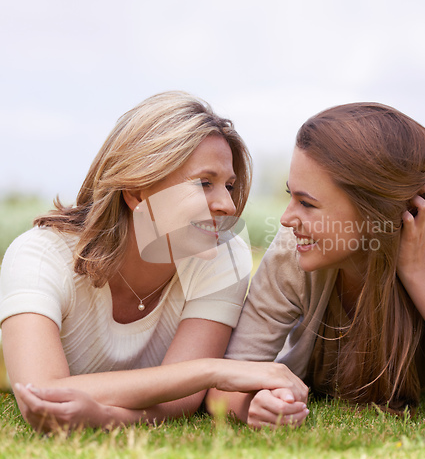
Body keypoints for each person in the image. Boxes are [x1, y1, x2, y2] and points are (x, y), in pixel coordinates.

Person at [0, 91, 308, 432]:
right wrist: (214, 370)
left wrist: (105, 418)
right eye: (204, 183)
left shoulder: (223, 254)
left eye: (229, 186)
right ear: (137, 192)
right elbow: (40, 394)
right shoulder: (40, 255)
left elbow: (183, 400)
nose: (228, 206)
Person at [207, 102, 425, 428]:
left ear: (373, 211)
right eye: (291, 196)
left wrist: (416, 270)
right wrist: (251, 405)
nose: (287, 218)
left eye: (307, 203)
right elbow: (225, 382)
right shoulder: (292, 250)